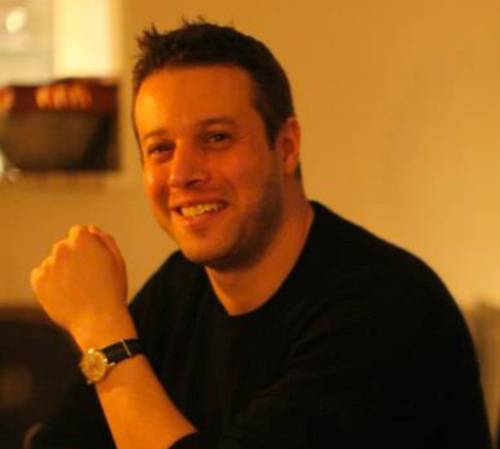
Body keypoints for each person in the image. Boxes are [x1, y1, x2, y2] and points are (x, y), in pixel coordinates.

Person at [29, 20, 491, 449]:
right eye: (161, 148)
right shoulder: (182, 288)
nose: (182, 173)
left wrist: (102, 330)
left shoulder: (386, 309)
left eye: (216, 138)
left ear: (286, 147)